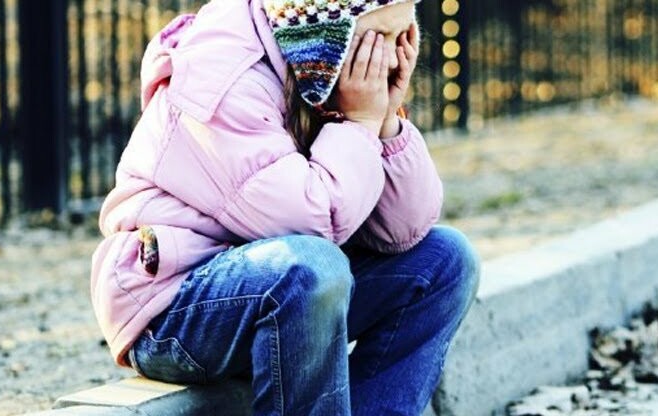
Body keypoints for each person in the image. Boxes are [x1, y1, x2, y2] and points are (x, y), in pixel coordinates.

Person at [88, 0, 480, 414]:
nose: (391, 58)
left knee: (445, 260)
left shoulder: (325, 81)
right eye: (377, 40)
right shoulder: (224, 73)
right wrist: (361, 123)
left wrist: (384, 122)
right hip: (174, 305)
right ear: (325, 31)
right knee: (313, 266)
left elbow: (405, 229)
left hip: (277, 288)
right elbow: (311, 220)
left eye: (402, 37)